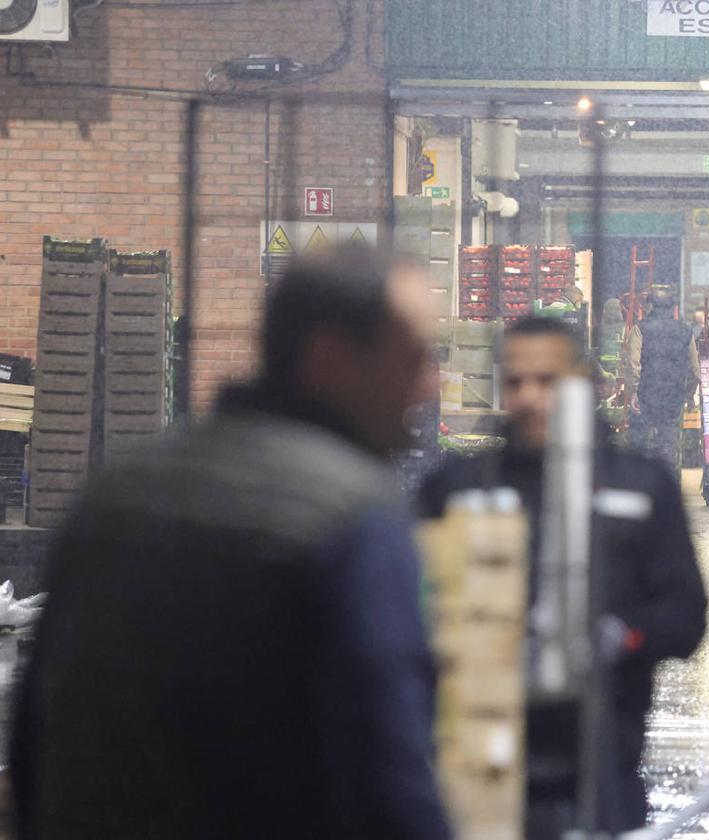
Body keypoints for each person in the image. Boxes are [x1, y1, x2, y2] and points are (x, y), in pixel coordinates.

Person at [11, 244, 452, 838]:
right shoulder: (352, 520)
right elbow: (388, 785)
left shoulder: (113, 500)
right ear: (329, 358)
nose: (429, 386)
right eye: (414, 356)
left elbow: (33, 738)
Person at [418, 317, 708, 838]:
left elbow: (687, 614)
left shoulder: (640, 487)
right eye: (515, 382)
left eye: (548, 382)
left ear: (583, 383)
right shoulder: (458, 490)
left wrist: (626, 635)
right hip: (482, 769)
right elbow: (407, 615)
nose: (530, 398)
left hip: (603, 762)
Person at [627, 288, 702, 469]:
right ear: (671, 307)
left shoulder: (640, 328)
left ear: (650, 305)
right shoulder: (685, 330)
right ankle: (667, 476)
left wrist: (634, 391)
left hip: (648, 391)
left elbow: (633, 362)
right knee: (668, 436)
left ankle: (645, 476)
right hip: (674, 392)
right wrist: (690, 394)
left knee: (643, 436)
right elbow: (695, 366)